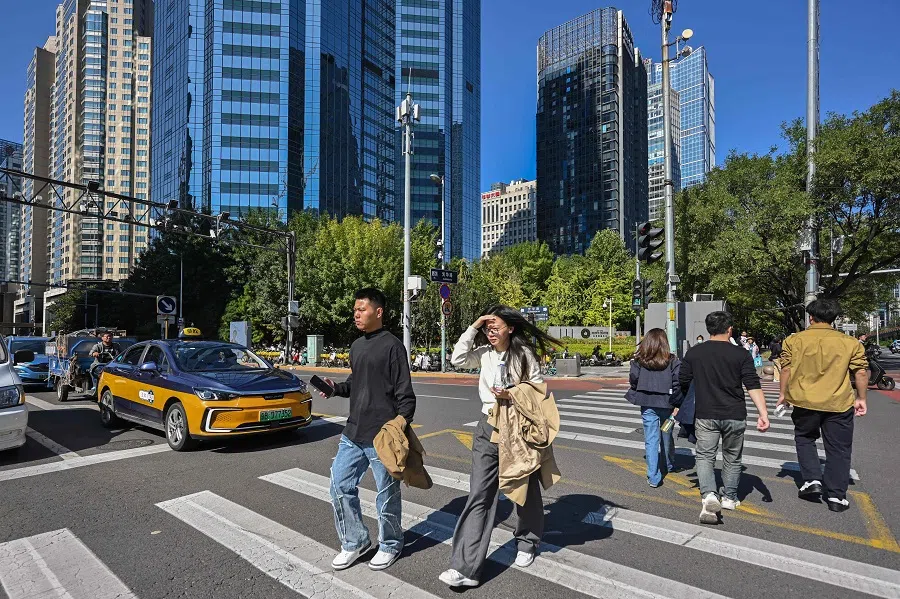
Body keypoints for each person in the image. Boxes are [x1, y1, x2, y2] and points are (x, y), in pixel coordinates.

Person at [439, 305, 559, 588]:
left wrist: (513, 393)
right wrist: (475, 324)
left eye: (497, 327)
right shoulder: (484, 354)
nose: (491, 333)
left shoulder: (524, 355)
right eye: (488, 328)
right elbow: (456, 359)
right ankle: (464, 566)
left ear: (511, 329)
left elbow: (539, 390)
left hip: (517, 427)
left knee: (525, 487)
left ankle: (528, 542)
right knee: (479, 493)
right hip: (487, 426)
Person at [317, 288, 416, 571]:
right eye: (355, 309)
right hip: (353, 432)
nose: (356, 313)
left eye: (362, 308)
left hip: (381, 436)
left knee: (386, 494)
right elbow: (355, 384)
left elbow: (406, 396)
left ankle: (391, 544)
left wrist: (398, 427)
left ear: (379, 312)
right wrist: (336, 389)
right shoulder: (356, 346)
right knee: (339, 485)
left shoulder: (393, 346)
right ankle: (355, 541)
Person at [775, 299, 869, 513]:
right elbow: (861, 372)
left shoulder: (794, 340)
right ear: (834, 319)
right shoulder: (850, 343)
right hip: (838, 403)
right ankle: (836, 496)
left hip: (804, 401)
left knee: (805, 438)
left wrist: (783, 395)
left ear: (811, 317)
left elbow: (786, 370)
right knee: (839, 448)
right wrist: (861, 398)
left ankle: (811, 480)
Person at [680, 311, 770, 524]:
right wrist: (763, 413)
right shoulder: (741, 354)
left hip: (706, 413)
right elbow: (752, 385)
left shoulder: (695, 353)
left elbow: (683, 380)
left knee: (704, 456)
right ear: (729, 329)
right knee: (732, 456)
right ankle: (729, 497)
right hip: (734, 413)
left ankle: (709, 495)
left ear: (708, 329)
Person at [625, 328, 683, 487]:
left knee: (651, 439)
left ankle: (653, 477)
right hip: (668, 404)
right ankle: (669, 464)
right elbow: (678, 383)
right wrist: (678, 404)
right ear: (665, 343)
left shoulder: (639, 361)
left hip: (647, 402)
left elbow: (634, 380)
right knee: (666, 434)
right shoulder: (672, 361)